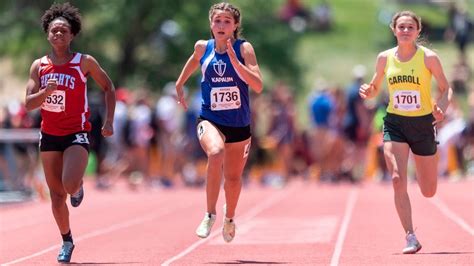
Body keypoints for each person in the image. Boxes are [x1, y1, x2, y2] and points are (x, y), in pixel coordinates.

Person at [24, 3, 115, 263]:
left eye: (63, 31)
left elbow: (108, 87)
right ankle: (67, 240)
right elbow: (29, 103)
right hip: (50, 135)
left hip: (76, 132)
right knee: (55, 197)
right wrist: (45, 92)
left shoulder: (83, 62)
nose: (58, 35)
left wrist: (108, 121)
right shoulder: (39, 66)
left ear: (72, 34)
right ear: (47, 34)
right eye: (54, 31)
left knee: (70, 184)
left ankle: (78, 188)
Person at [359, 11, 453, 254]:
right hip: (395, 123)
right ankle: (410, 236)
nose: (405, 31)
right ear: (393, 29)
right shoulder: (384, 58)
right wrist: (368, 91)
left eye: (410, 27)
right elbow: (375, 87)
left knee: (428, 191)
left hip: (422, 124)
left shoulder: (429, 58)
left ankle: (430, 157)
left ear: (417, 31)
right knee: (397, 178)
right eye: (401, 26)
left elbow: (446, 88)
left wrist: (441, 108)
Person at [175, 2, 263, 243]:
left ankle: (230, 217)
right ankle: (209, 213)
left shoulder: (244, 49)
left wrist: (237, 65)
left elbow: (257, 85)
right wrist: (180, 83)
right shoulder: (204, 48)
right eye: (217, 21)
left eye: (226, 21)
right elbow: (194, 60)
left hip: (239, 123)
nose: (221, 25)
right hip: (210, 118)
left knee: (233, 179)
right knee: (215, 153)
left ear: (235, 26)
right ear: (211, 25)